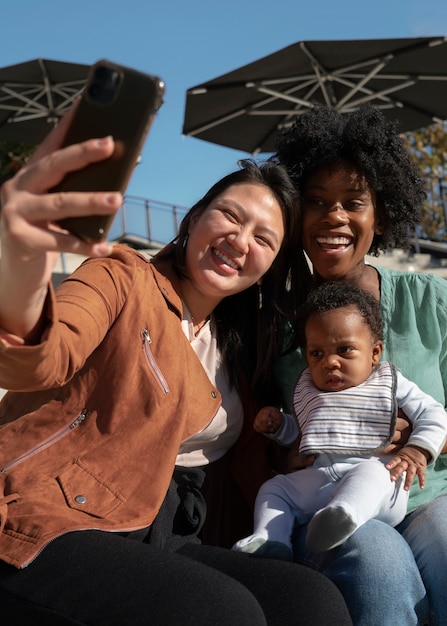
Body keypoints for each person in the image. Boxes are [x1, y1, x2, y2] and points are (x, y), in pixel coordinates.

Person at [0, 105, 352, 625]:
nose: (240, 240)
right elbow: (44, 355)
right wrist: (22, 259)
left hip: (162, 531)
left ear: (268, 269)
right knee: (223, 613)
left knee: (310, 602)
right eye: (231, 216)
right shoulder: (122, 278)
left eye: (264, 238)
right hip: (51, 516)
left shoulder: (238, 351)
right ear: (194, 219)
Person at [273, 103, 447, 625]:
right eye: (316, 201)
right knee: (377, 565)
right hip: (331, 503)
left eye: (354, 201)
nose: (334, 216)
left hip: (427, 497)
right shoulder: (273, 323)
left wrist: (416, 439)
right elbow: (260, 442)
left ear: (381, 213)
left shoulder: (430, 301)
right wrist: (290, 456)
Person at [233, 281, 447, 559]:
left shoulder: (389, 383)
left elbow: (434, 414)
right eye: (317, 353)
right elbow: (306, 433)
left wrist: (418, 448)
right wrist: (280, 426)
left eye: (344, 350)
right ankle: (271, 540)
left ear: (374, 353)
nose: (329, 362)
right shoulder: (312, 388)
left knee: (372, 473)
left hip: (379, 485)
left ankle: (344, 515)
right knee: (275, 488)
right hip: (322, 482)